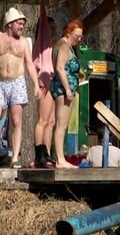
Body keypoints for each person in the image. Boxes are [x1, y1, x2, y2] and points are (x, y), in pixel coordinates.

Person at [0, 7, 41, 169]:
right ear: (10, 24)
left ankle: (15, 158)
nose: (21, 27)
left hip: (17, 82)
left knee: (16, 121)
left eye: (22, 24)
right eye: (19, 24)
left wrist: (36, 84)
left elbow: (29, 64)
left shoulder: (23, 43)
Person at [50, 19, 84, 169]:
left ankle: (60, 158)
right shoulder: (64, 46)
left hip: (64, 88)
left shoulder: (63, 45)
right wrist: (68, 90)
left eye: (81, 36)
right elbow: (60, 68)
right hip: (63, 90)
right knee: (61, 124)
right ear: (68, 32)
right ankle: (60, 160)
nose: (79, 39)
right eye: (77, 35)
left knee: (61, 124)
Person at [32, 14, 56, 168]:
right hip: (44, 83)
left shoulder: (51, 45)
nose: (53, 31)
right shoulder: (39, 45)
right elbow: (35, 65)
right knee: (43, 119)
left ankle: (47, 152)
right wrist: (40, 83)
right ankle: (39, 153)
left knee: (51, 121)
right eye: (50, 28)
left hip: (54, 83)